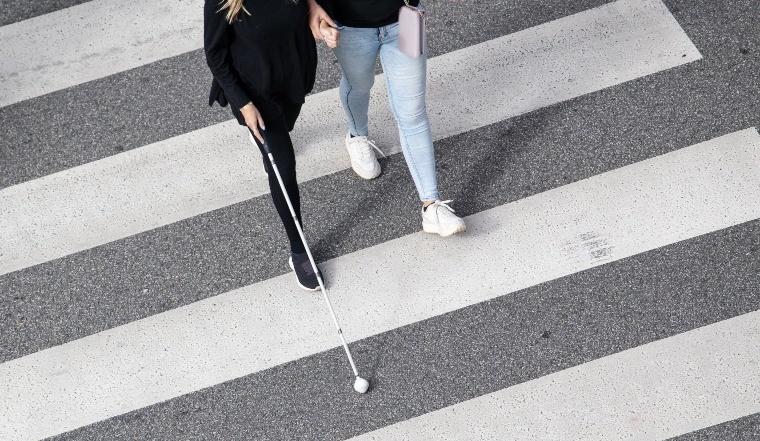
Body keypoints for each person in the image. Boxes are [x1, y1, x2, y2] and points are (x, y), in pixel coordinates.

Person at [204, 0, 339, 291]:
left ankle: (269, 147)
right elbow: (215, 55)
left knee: (286, 130)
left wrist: (322, 24)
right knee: (283, 169)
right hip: (255, 95)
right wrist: (244, 104)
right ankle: (299, 251)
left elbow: (311, 9)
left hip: (292, 77)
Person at [307, 0, 467, 237]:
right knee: (359, 85)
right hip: (350, 27)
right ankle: (356, 135)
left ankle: (432, 206)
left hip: (407, 17)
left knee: (413, 111)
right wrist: (312, 7)